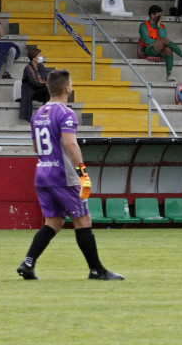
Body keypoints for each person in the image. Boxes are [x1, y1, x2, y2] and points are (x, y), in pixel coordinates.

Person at [17, 69, 123, 280]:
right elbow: (70, 144)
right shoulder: (66, 113)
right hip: (63, 176)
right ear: (67, 88)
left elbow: (36, 146)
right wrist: (82, 172)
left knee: (54, 222)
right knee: (83, 219)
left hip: (43, 174)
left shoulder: (38, 114)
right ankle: (97, 270)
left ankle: (28, 263)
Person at [139, 5, 182, 82]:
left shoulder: (162, 26)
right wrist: (158, 42)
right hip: (148, 49)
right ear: (152, 15)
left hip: (159, 49)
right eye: (159, 15)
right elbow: (146, 40)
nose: (161, 17)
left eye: (161, 15)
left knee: (168, 49)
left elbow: (163, 38)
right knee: (165, 41)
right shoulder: (143, 25)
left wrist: (158, 26)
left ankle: (169, 75)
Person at [19, 48, 49, 122]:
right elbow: (33, 83)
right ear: (34, 58)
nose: (41, 57)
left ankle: (46, 113)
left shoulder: (41, 66)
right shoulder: (27, 69)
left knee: (48, 94)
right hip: (31, 92)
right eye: (39, 56)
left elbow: (45, 78)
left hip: (40, 90)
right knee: (48, 90)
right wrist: (45, 85)